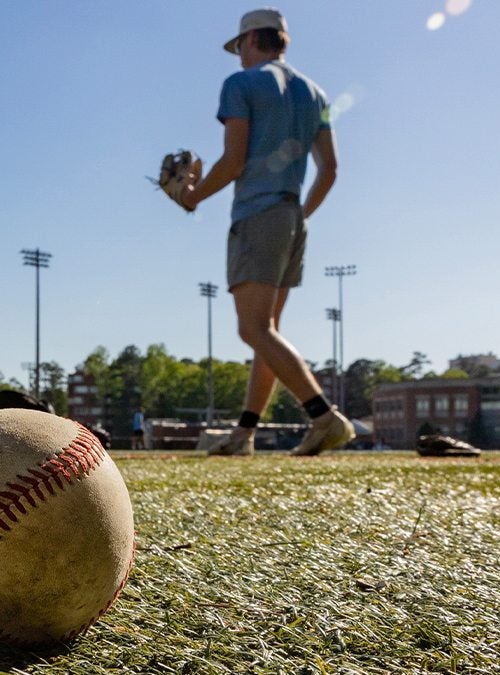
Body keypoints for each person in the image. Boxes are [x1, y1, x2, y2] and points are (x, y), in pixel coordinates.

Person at [179, 8, 354, 457]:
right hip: (293, 217)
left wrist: (194, 195)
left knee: (253, 329)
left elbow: (234, 160)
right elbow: (330, 169)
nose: (238, 55)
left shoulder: (241, 84)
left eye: (239, 46)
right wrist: (301, 215)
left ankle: (322, 416)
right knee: (268, 331)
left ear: (253, 40)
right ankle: (244, 432)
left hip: (257, 216)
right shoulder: (315, 92)